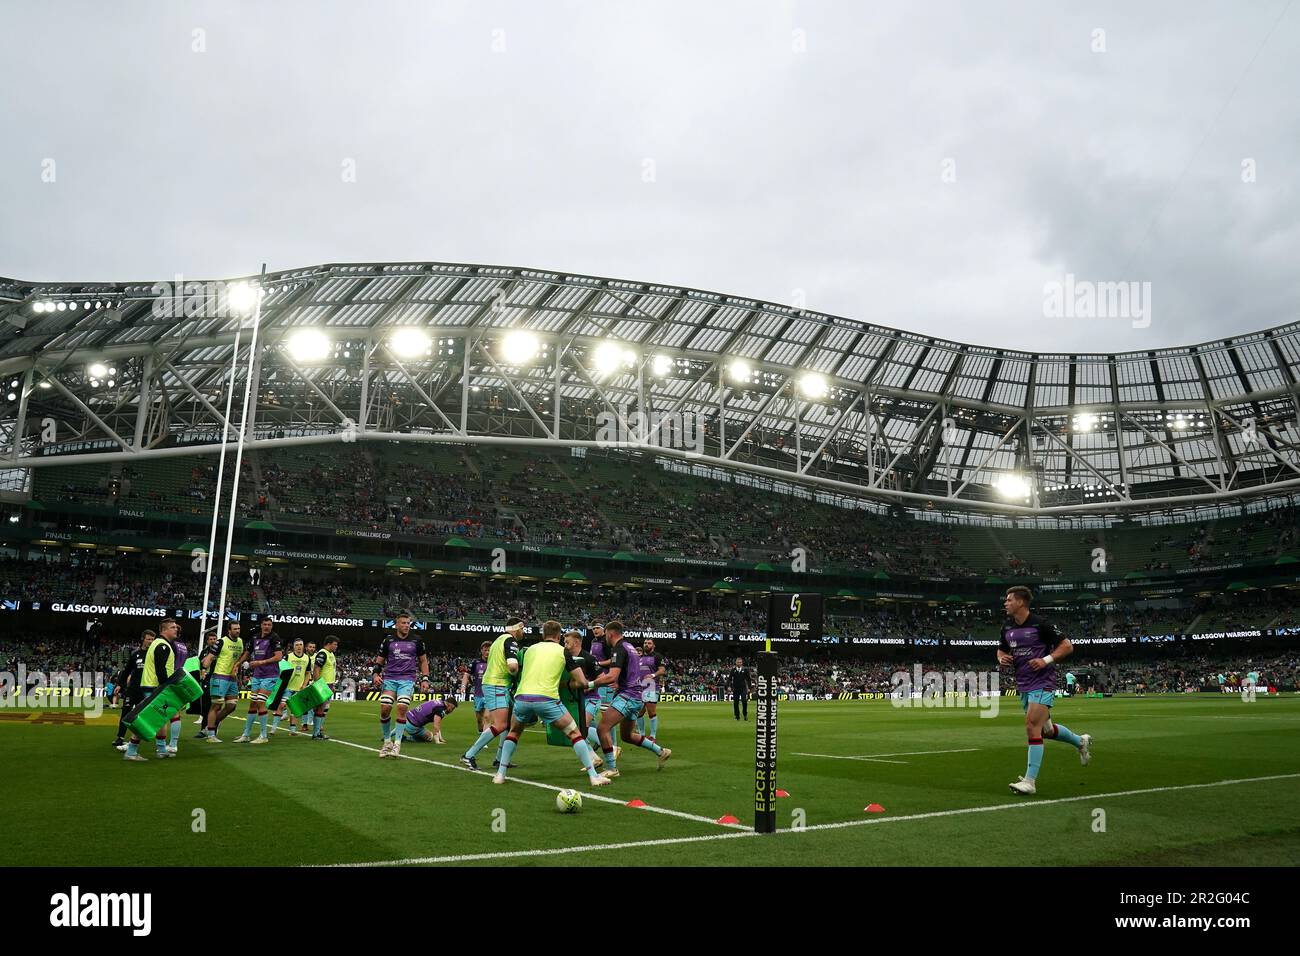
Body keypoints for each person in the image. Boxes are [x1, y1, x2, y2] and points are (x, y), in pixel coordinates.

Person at [997, 586, 1092, 796]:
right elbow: (1001, 649)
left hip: (1043, 681)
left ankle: (1030, 781)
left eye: (1009, 599)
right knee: (1046, 731)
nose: (1006, 603)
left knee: (1032, 725)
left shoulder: (1041, 624)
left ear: (1021, 602)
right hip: (1023, 683)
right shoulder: (1006, 627)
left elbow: (1067, 646)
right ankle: (1080, 741)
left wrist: (1045, 660)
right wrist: (1001, 658)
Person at [492, 620, 610, 788]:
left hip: (522, 698)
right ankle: (593, 776)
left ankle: (500, 774)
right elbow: (582, 682)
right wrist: (583, 685)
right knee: (575, 733)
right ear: (559, 636)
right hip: (547, 699)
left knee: (514, 733)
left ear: (542, 635)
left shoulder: (529, 650)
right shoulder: (563, 651)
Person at [592, 621, 670, 778]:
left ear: (610, 633)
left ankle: (612, 769)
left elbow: (612, 675)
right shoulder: (630, 647)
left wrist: (589, 684)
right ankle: (661, 751)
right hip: (636, 696)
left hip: (627, 695)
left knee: (602, 728)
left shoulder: (619, 649)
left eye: (606, 634)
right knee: (626, 736)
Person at [460, 618, 524, 771]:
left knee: (508, 724)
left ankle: (500, 759)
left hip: (496, 684)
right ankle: (469, 755)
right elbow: (513, 667)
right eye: (522, 628)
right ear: (516, 628)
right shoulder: (511, 641)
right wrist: (519, 675)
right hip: (497, 685)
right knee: (501, 724)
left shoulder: (498, 641)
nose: (523, 632)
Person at [373, 611, 430, 758]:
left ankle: (397, 744)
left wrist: (425, 678)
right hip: (390, 678)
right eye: (403, 623)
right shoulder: (388, 640)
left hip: (407, 679)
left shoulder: (417, 640)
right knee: (385, 708)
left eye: (408, 623)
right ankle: (387, 742)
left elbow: (423, 661)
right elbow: (379, 660)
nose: (406, 626)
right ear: (397, 624)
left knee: (402, 706)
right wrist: (375, 674)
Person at [122, 619, 181, 762]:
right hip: (155, 687)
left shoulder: (158, 644)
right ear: (164, 630)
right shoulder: (163, 646)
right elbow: (161, 671)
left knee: (160, 719)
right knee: (149, 720)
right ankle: (131, 751)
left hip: (151, 686)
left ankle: (161, 749)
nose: (176, 629)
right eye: (173, 627)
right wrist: (167, 687)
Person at [234, 616, 283, 744]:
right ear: (261, 625)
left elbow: (279, 657)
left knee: (261, 701)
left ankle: (263, 735)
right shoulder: (255, 637)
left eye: (269, 625)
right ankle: (246, 734)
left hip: (270, 674)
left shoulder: (275, 638)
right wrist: (238, 663)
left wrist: (261, 662)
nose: (267, 627)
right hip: (257, 675)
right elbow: (247, 652)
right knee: (253, 703)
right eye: (265, 624)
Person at [564, 629, 604, 771]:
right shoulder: (566, 658)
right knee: (578, 729)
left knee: (580, 729)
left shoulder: (588, 658)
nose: (564, 644)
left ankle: (597, 755)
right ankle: (599, 754)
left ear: (576, 642)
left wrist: (588, 686)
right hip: (576, 700)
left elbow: (601, 677)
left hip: (591, 698)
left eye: (567, 641)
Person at [201, 621, 246, 742]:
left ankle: (210, 725)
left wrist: (238, 669)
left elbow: (241, 656)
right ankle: (211, 735)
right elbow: (210, 657)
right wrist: (204, 668)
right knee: (216, 705)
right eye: (235, 629)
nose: (237, 630)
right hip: (220, 676)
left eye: (239, 628)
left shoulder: (241, 642)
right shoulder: (221, 642)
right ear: (229, 630)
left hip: (232, 678)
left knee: (231, 706)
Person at [112, 630, 153, 749]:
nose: (150, 641)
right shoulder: (135, 654)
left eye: (152, 639)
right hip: (133, 689)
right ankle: (120, 737)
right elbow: (127, 671)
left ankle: (136, 739)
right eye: (148, 639)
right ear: (143, 639)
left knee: (143, 715)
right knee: (126, 712)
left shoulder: (154, 655)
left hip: (146, 689)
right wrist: (119, 684)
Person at [271, 639, 312, 735]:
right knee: (282, 705)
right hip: (288, 687)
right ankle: (273, 729)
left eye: (300, 645)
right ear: (293, 646)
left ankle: (292, 731)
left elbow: (308, 673)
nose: (299, 646)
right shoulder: (288, 656)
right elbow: (281, 668)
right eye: (297, 645)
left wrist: (304, 685)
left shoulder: (307, 658)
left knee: (294, 710)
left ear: (303, 646)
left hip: (299, 688)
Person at [637, 638, 667, 741]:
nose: (646, 644)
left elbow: (662, 670)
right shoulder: (639, 658)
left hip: (651, 686)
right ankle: (641, 734)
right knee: (639, 712)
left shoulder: (657, 656)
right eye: (645, 643)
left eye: (649, 643)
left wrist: (653, 675)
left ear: (653, 646)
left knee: (651, 712)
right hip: (639, 687)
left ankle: (653, 736)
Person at [309, 635, 339, 740]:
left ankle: (318, 733)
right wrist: (318, 684)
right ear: (328, 644)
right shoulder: (322, 653)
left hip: (329, 684)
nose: (336, 646)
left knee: (322, 709)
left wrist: (333, 685)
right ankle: (316, 734)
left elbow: (330, 671)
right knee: (319, 708)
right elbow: (316, 669)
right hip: (323, 684)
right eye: (335, 644)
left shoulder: (330, 654)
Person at [469, 641, 490, 733]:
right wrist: (462, 686)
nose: (487, 652)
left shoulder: (495, 662)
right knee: (479, 718)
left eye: (489, 650)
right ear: (481, 650)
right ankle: (481, 732)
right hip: (478, 694)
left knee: (487, 717)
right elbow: (466, 674)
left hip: (490, 694)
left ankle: (484, 738)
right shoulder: (475, 663)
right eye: (485, 650)